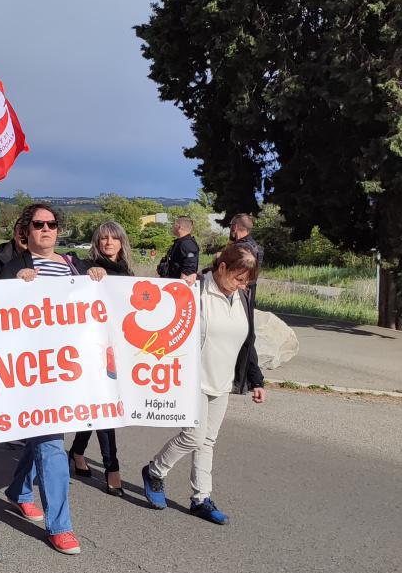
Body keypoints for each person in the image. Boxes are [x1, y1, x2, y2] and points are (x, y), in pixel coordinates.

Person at [0, 202, 106, 555]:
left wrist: (98, 278)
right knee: (52, 444)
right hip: (30, 373)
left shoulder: (74, 264)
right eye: (38, 225)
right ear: (26, 231)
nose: (46, 229)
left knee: (44, 436)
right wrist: (12, 284)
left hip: (67, 370)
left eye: (52, 224)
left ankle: (19, 491)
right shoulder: (11, 266)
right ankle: (61, 527)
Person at [141, 244, 266, 524]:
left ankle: (201, 498)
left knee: (208, 440)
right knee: (194, 436)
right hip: (191, 378)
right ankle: (154, 472)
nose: (242, 285)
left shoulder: (242, 297)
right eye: (238, 278)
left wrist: (255, 379)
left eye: (247, 281)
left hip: (222, 380)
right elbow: (160, 313)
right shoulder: (194, 291)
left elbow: (248, 340)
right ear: (222, 268)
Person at [68, 220, 133, 495]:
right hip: (94, 347)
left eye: (114, 238)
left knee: (98, 404)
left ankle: (76, 452)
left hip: (118, 346)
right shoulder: (88, 268)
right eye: (103, 238)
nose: (108, 243)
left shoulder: (128, 273)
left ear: (121, 242)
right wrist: (89, 273)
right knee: (106, 406)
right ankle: (112, 467)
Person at [158, 216, 200, 282]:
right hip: (172, 282)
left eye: (174, 225)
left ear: (179, 227)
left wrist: (182, 284)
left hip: (179, 286)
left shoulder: (187, 244)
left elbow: (190, 267)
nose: (172, 227)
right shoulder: (181, 242)